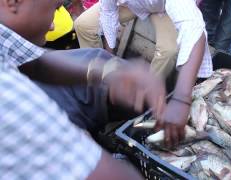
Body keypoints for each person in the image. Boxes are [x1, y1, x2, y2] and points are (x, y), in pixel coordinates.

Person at [0, 0, 169, 178]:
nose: (52, 26)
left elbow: (31, 59)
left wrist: (109, 72)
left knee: (97, 58)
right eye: (55, 8)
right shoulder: (8, 95)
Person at [74, 0, 213, 147]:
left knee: (168, 52)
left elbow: (193, 28)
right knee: (83, 25)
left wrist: (181, 99)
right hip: (134, 5)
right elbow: (108, 11)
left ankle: (145, 102)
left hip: (165, 8)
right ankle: (95, 91)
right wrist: (110, 60)